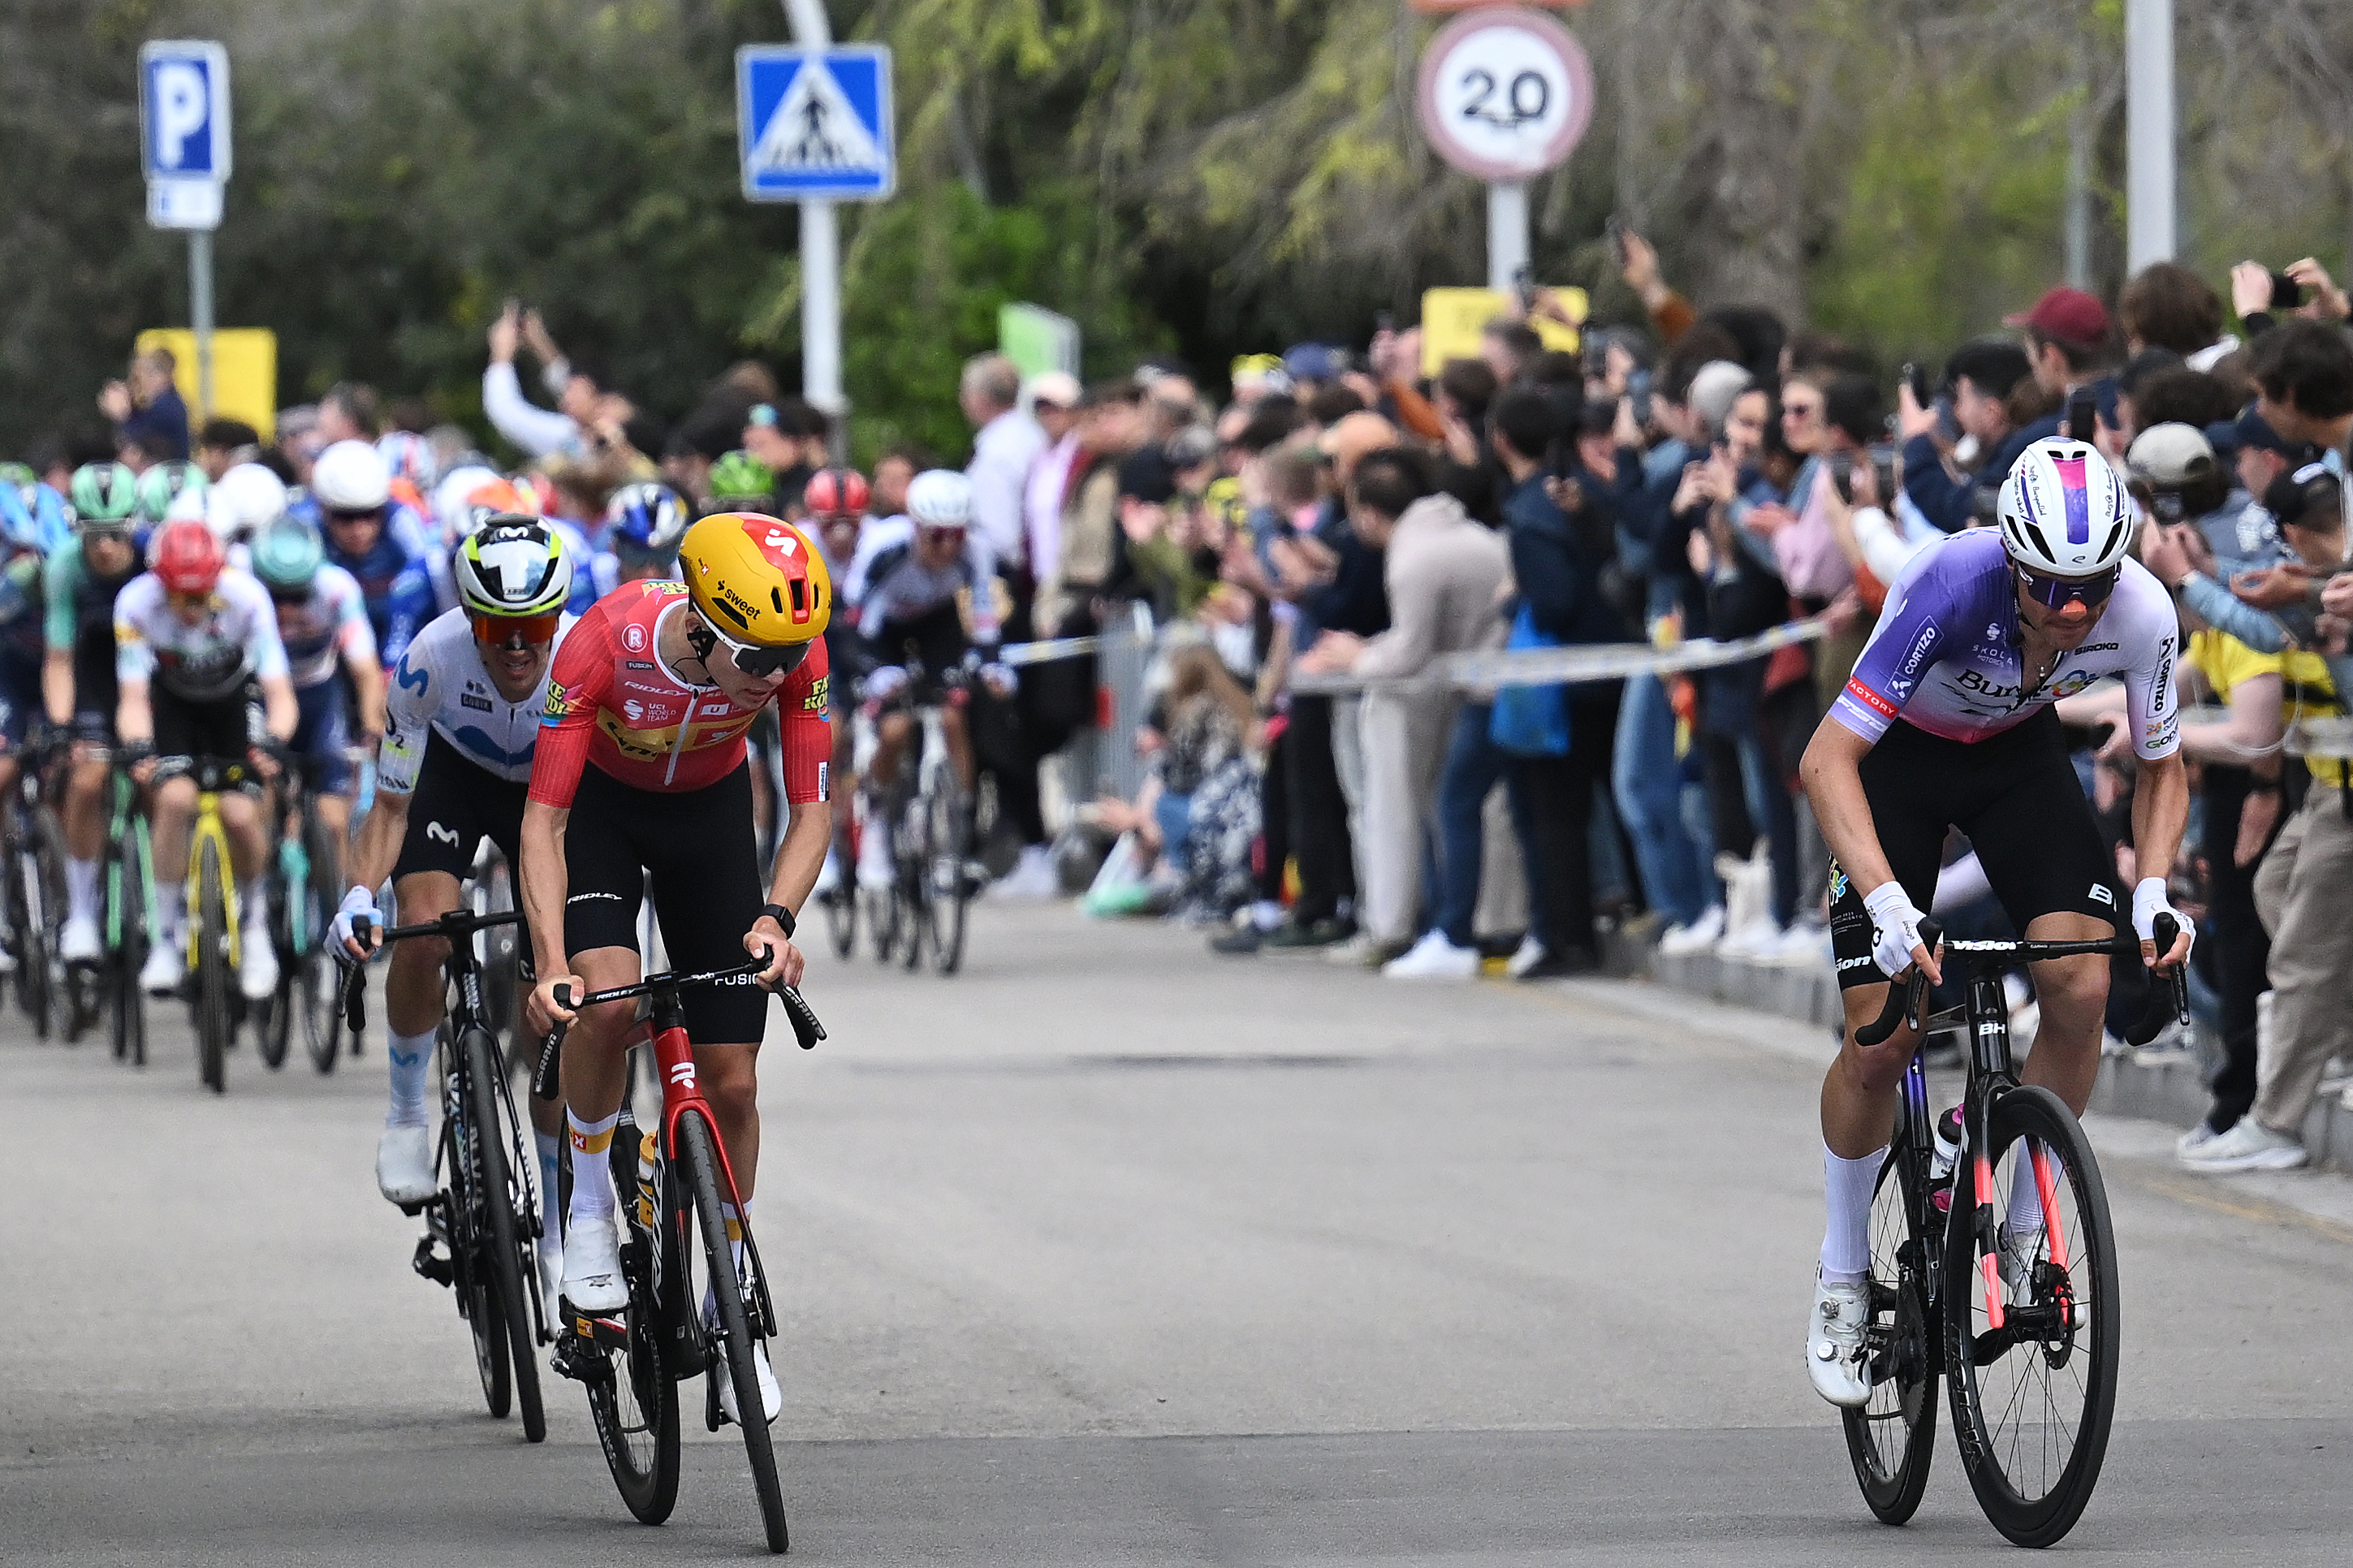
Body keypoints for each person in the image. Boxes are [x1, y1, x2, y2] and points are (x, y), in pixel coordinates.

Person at [1794, 439, 2193, 1408]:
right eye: (2049, 586)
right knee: (1880, 1041)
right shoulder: (1946, 585)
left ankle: (2023, 1231)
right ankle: (1844, 1272)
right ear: (2012, 560)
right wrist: (1888, 901)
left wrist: (2154, 890)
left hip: (2017, 762)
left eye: (2090, 587)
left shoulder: (2142, 612)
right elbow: (1824, 761)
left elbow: (2163, 762)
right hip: (1896, 762)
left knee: (2082, 984)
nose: (2070, 611)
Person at [520, 512, 832, 1428]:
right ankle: (582, 1210)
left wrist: (777, 919)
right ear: (702, 622)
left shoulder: (793, 655)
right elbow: (542, 822)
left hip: (710, 826)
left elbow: (813, 811)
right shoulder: (602, 645)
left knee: (732, 1081)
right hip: (607, 820)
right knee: (608, 1008)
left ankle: (728, 1292)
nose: (781, 673)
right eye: (762, 656)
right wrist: (548, 967)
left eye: (793, 653)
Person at [330, 518, 576, 1298]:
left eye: (534, 625)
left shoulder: (582, 658)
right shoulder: (427, 662)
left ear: (558, 616)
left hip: (547, 789)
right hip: (455, 778)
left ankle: (562, 1209)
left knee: (557, 989)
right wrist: (360, 894)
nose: (516, 647)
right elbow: (390, 811)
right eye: (498, 629)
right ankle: (407, 1110)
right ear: (470, 620)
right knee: (429, 931)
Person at [1295, 447, 1511, 978]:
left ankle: (1448, 930)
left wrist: (1356, 657)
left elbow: (1411, 649)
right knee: (1471, 809)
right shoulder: (1466, 534)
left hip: (1479, 690)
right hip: (1481, 683)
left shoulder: (1413, 557)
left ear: (1369, 512)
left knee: (1445, 806)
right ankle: (1464, 923)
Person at [114, 520, 300, 1000]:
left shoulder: (247, 598)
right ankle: (167, 940)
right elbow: (133, 694)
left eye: (202, 597)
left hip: (237, 703)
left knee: (241, 813)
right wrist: (138, 745)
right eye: (181, 598)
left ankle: (256, 929)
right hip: (173, 704)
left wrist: (275, 741)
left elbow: (279, 688)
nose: (193, 609)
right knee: (174, 800)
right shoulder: (135, 604)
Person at [841, 470, 1011, 893]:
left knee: (953, 717)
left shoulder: (975, 552)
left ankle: (958, 829)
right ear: (916, 528)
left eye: (956, 535)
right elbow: (852, 619)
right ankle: (879, 815)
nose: (948, 547)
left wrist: (991, 663)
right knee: (896, 728)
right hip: (882, 634)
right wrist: (874, 671)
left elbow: (984, 616)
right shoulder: (886, 545)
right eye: (937, 536)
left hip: (937, 625)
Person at [46, 466, 149, 965]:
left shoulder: (154, 558)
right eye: (92, 534)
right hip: (92, 673)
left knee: (162, 779)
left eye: (116, 533)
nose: (105, 547)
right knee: (86, 781)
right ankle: (83, 913)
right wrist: (64, 727)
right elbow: (59, 659)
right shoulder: (65, 568)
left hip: (150, 676)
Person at [248, 516, 383, 846]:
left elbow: (365, 670)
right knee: (257, 795)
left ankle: (334, 893)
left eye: (299, 596)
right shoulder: (242, 589)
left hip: (320, 697)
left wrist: (373, 727)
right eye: (276, 597)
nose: (287, 609)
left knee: (334, 819)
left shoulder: (338, 590)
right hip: (260, 695)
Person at [309, 439, 436, 667]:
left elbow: (428, 571)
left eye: (369, 514)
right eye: (345, 517)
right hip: (336, 644)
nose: (359, 529)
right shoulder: (308, 530)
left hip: (401, 627)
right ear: (324, 511)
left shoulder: (403, 521)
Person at [961, 353, 1047, 568]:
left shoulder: (995, 452)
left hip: (1006, 570)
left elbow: (999, 535)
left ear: (979, 397)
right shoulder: (1034, 435)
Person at [98, 347, 190, 462]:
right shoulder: (165, 405)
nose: (134, 384)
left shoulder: (167, 407)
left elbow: (142, 442)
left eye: (137, 378)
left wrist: (123, 415)